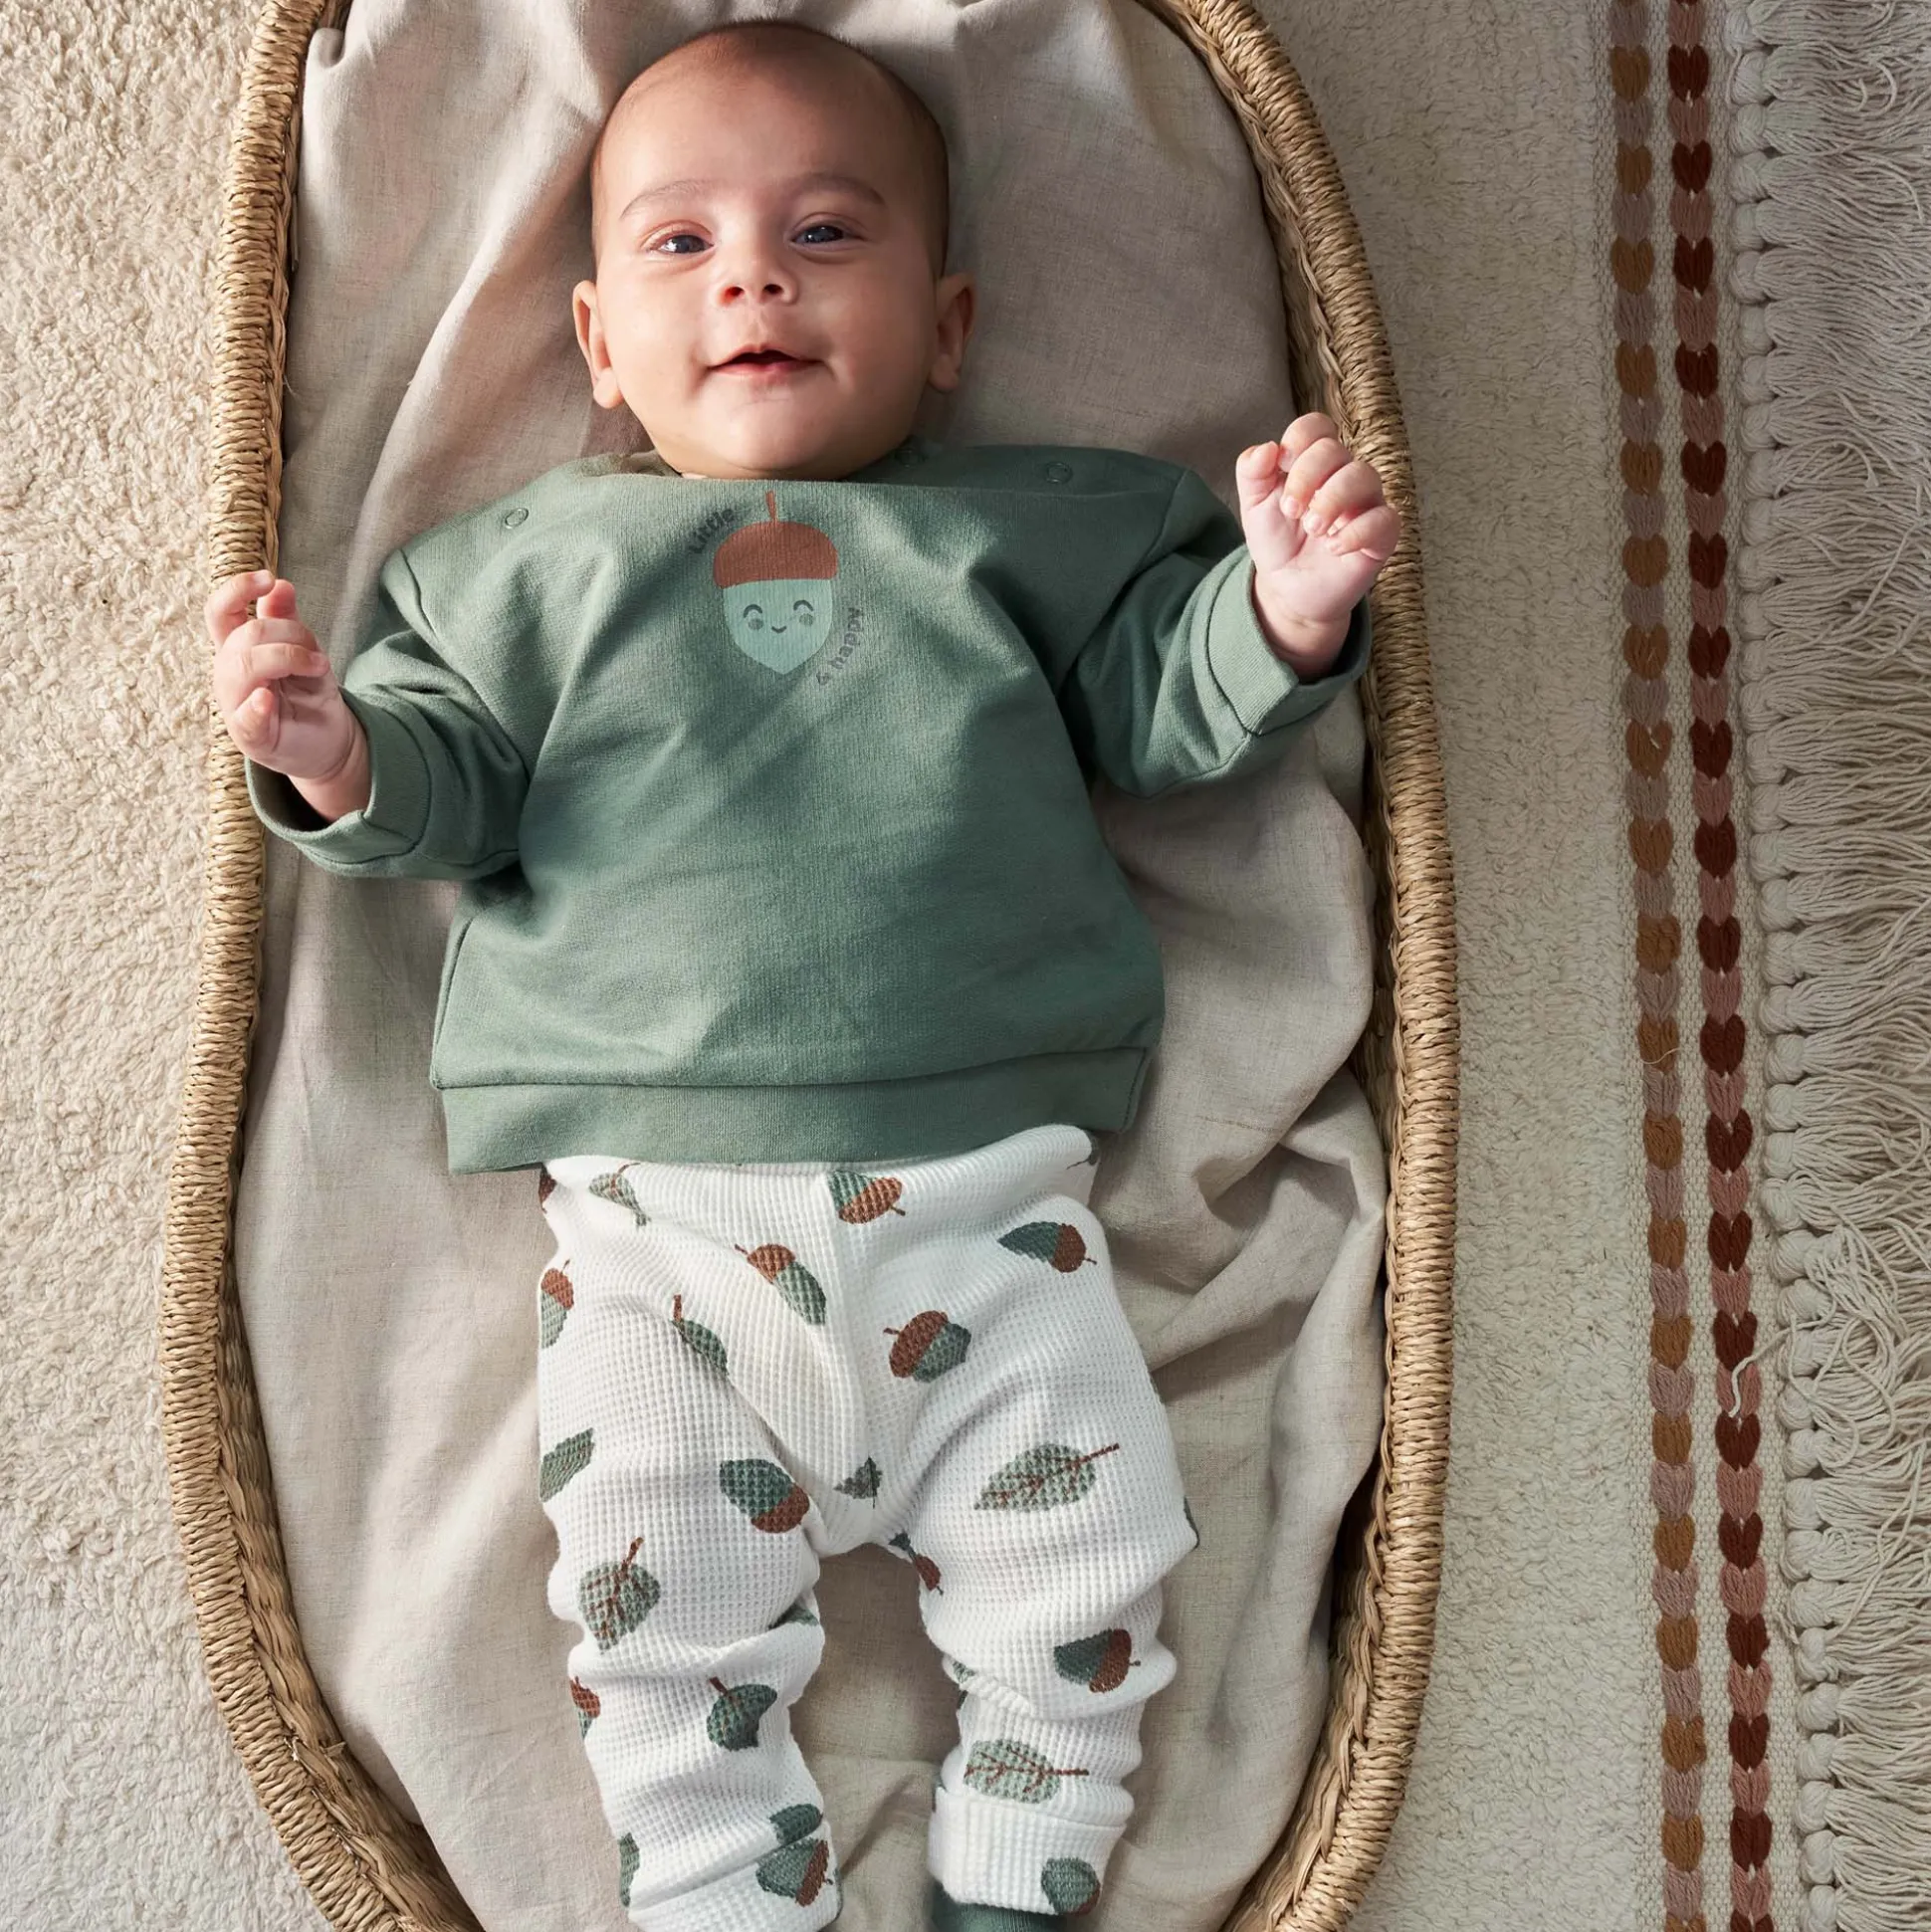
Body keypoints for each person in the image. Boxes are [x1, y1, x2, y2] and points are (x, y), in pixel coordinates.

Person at [204, 20, 1400, 1931]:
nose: (754, 277)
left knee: (1091, 1553)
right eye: (681, 244)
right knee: (649, 1614)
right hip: (655, 1237)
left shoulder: (1033, 530)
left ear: (949, 324)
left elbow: (1163, 711)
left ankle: (1021, 1856)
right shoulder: (513, 572)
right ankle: (718, 1889)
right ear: (598, 343)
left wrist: (1278, 608)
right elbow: (449, 790)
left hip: (992, 1217)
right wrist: (333, 754)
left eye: (825, 234)